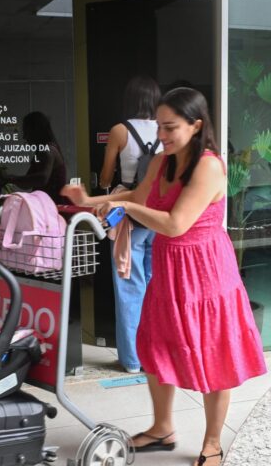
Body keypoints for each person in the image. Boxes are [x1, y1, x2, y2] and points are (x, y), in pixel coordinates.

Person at [62, 87, 266, 466]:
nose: (162, 135)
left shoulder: (209, 165)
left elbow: (175, 224)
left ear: (196, 125)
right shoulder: (161, 161)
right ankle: (162, 427)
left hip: (205, 271)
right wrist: (87, 201)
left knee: (212, 353)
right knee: (156, 348)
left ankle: (212, 443)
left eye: (170, 127)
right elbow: (138, 199)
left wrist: (120, 206)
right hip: (170, 267)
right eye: (159, 126)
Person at [97, 75, 162, 374]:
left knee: (128, 284)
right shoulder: (167, 130)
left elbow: (106, 177)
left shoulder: (120, 130)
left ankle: (132, 360)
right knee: (154, 286)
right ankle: (153, 355)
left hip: (128, 214)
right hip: (159, 213)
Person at [3, 111, 67, 203]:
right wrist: (10, 179)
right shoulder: (44, 151)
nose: (24, 137)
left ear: (36, 131)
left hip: (52, 207)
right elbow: (27, 184)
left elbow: (42, 179)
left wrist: (11, 178)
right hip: (45, 205)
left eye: (26, 132)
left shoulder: (47, 151)